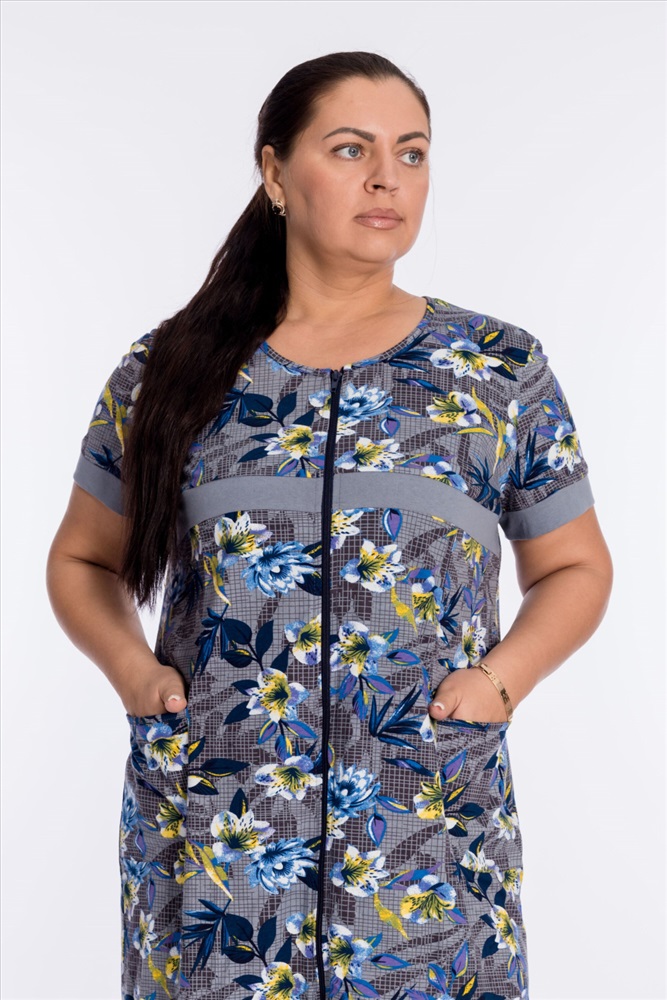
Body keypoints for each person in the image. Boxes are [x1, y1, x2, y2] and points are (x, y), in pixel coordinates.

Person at [46, 50, 613, 1000]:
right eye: (351, 149)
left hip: (425, 836)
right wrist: (136, 677)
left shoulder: (495, 368)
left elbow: (575, 568)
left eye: (412, 153)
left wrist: (497, 683)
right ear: (274, 172)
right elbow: (80, 558)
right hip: (218, 837)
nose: (387, 177)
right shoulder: (166, 370)